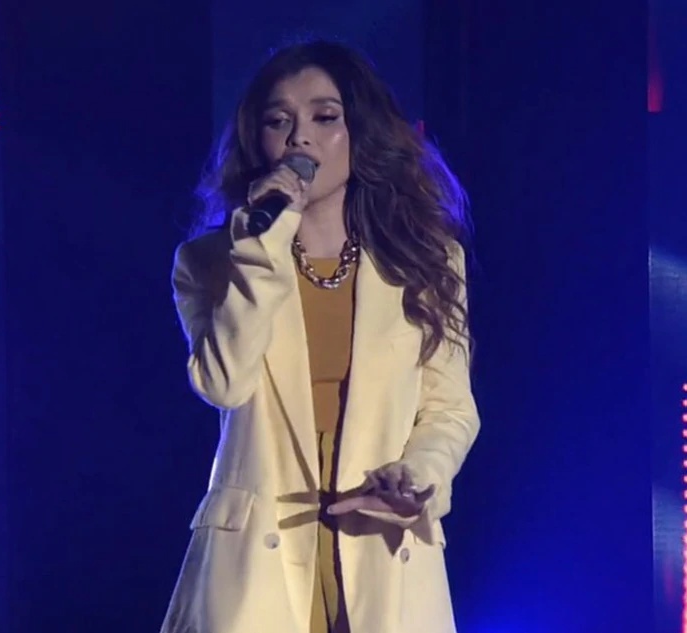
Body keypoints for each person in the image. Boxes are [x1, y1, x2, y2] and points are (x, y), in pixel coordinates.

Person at [160, 40, 480, 633]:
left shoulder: (427, 261)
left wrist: (417, 476)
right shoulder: (209, 263)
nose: (299, 139)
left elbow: (450, 409)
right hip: (256, 563)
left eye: (325, 118)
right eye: (278, 122)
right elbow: (224, 383)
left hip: (382, 548)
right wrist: (261, 248)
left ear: (361, 132)